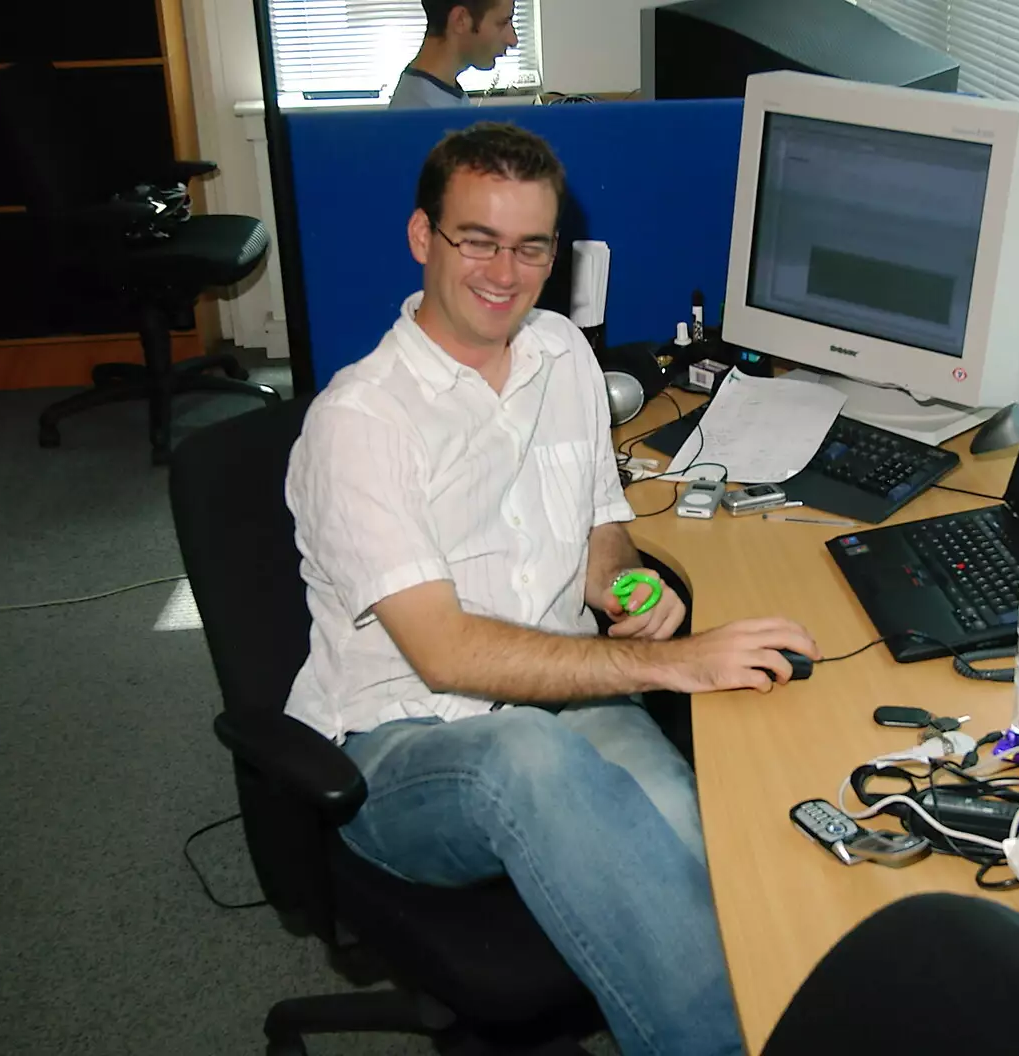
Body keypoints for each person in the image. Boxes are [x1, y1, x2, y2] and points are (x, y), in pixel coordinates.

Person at [283, 121, 820, 1056]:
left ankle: (804, 1019)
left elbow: (599, 527)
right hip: (403, 746)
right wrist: (671, 665)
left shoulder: (564, 355)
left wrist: (623, 592)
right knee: (526, 761)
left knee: (715, 858)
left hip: (564, 701)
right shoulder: (360, 424)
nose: (505, 270)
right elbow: (446, 653)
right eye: (477, 240)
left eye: (531, 246)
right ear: (423, 238)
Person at [388, 0, 518, 109]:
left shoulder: (440, 95)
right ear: (460, 20)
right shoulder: (424, 116)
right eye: (503, 22)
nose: (513, 40)